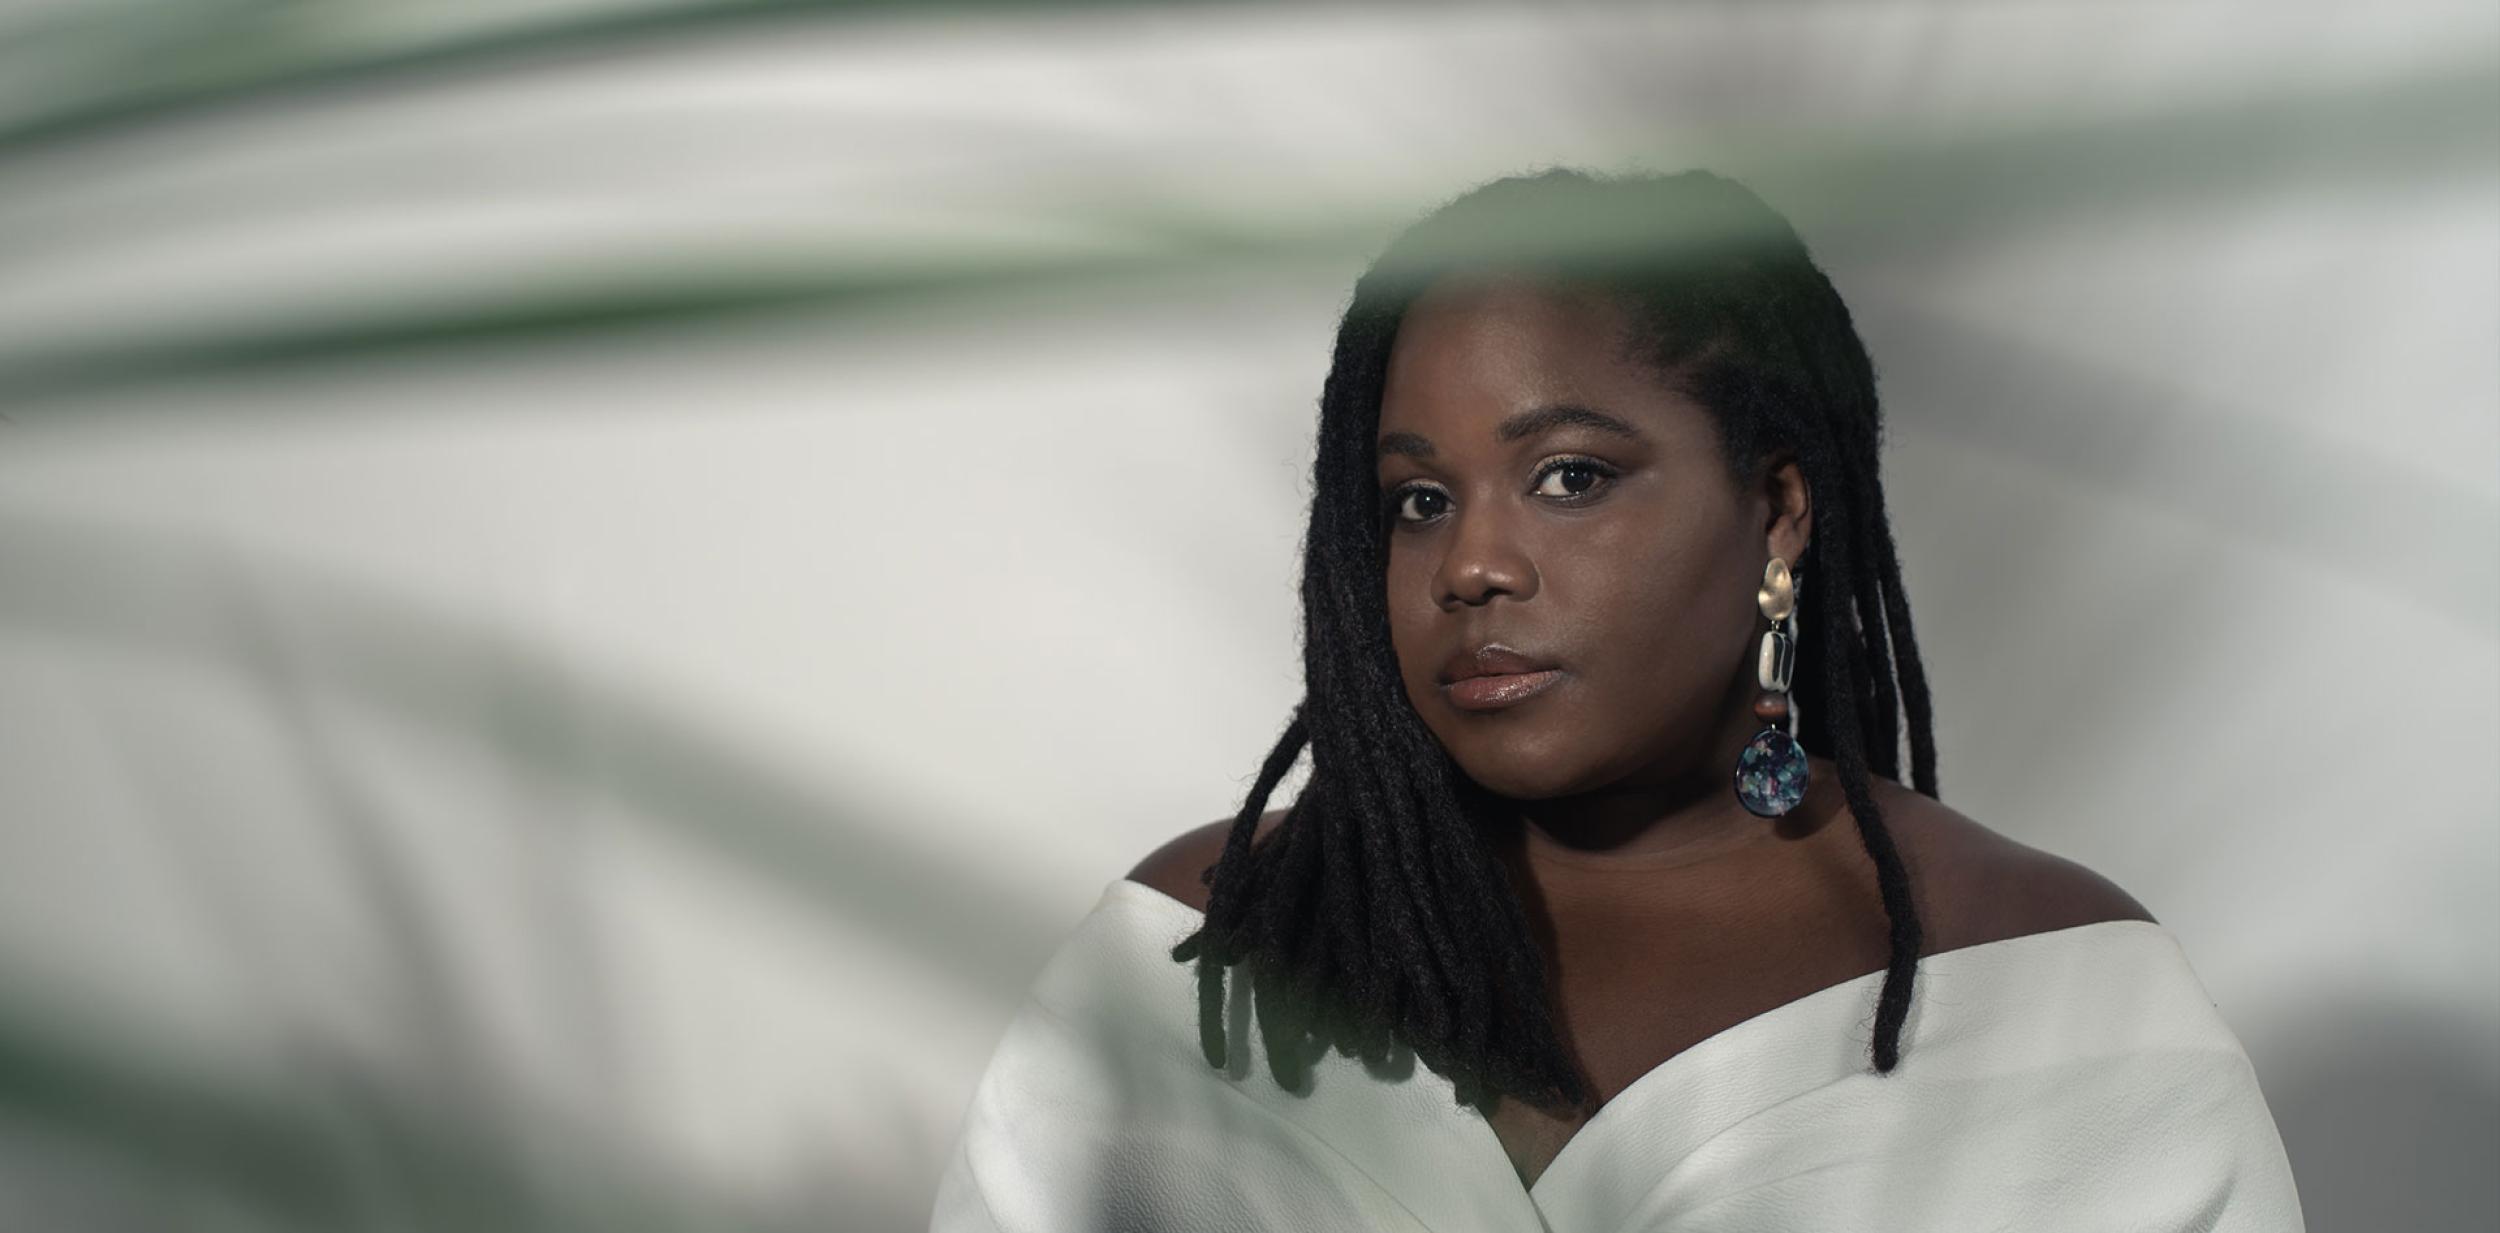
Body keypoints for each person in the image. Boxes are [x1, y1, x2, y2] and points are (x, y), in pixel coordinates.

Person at [929, 167, 2305, 1231]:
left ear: (1774, 511)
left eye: (1571, 475)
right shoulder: (1194, 961)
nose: (1472, 562)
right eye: (1416, 500)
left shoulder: (2062, 996)